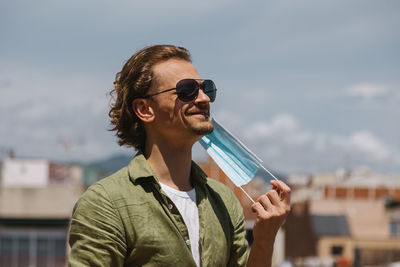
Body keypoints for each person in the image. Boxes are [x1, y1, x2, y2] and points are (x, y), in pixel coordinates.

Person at [68, 44, 291, 267]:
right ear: (144, 109)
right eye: (187, 90)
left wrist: (264, 240)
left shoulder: (223, 200)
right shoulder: (106, 203)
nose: (204, 99)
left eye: (207, 89)